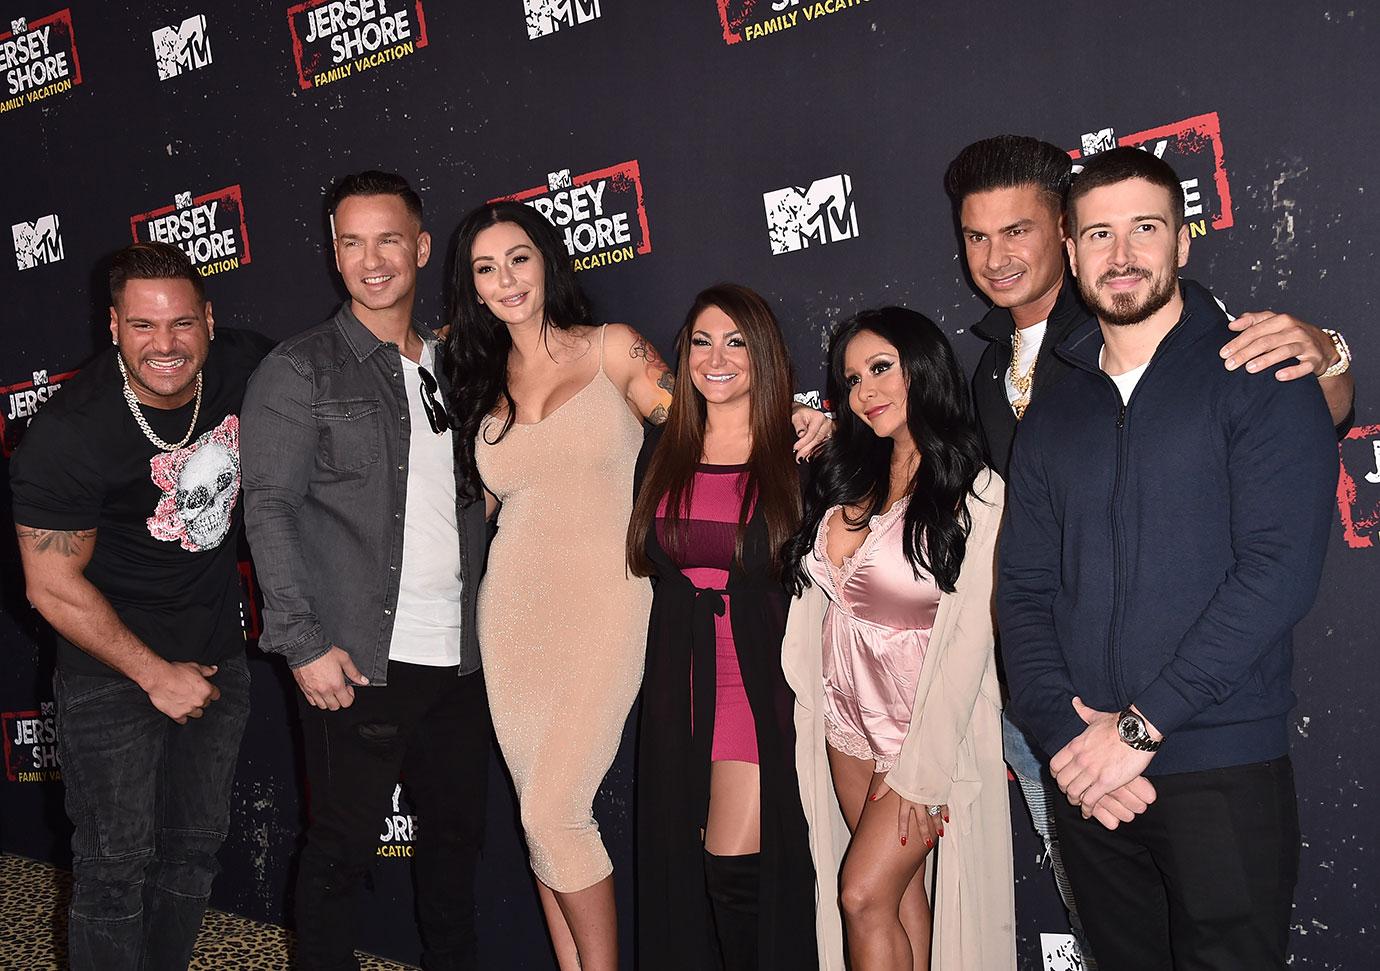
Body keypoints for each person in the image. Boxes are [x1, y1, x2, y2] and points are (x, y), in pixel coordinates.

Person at [942, 133, 1357, 968]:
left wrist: (1139, 727)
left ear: (1184, 238)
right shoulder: (1052, 419)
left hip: (1220, 763)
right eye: (1099, 233)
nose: (1121, 254)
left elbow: (1276, 574)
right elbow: (1020, 593)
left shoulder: (1259, 371)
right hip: (1090, 777)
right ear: (1071, 246)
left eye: (1145, 229)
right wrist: (1067, 737)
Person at [444, 202, 830, 971]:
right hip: (513, 617)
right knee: (540, 821)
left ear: (547, 260)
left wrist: (796, 413)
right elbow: (472, 511)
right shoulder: (477, 379)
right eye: (486, 268)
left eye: (518, 258)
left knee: (556, 811)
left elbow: (701, 410)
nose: (506, 280)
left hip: (611, 605)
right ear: (472, 287)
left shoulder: (612, 348)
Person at [240, 171, 491, 971]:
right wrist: (303, 642)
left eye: (389, 239)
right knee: (340, 856)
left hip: (459, 658)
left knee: (455, 847)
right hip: (356, 658)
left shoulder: (458, 365)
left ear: (420, 246)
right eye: (352, 242)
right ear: (334, 253)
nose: (371, 259)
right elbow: (267, 507)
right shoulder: (300, 369)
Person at [10, 241, 270, 970]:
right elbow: (51, 585)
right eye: (145, 326)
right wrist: (155, 674)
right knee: (115, 867)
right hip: (110, 672)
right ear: (114, 325)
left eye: (182, 323)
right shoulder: (70, 435)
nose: (167, 344)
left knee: (192, 855)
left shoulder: (247, 366)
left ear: (210, 321)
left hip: (218, 652)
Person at [781, 307, 1015, 971]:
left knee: (859, 894)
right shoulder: (851, 474)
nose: (865, 390)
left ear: (923, 367)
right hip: (844, 726)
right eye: (852, 379)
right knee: (900, 899)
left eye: (881, 368)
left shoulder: (977, 493)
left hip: (919, 734)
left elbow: (971, 644)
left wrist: (925, 767)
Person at [627, 284, 817, 970]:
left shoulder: (799, 453)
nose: (717, 357)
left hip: (756, 678)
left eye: (736, 341)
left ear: (763, 354)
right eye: (702, 340)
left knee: (735, 866)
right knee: (681, 864)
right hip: (679, 675)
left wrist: (816, 422)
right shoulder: (663, 447)